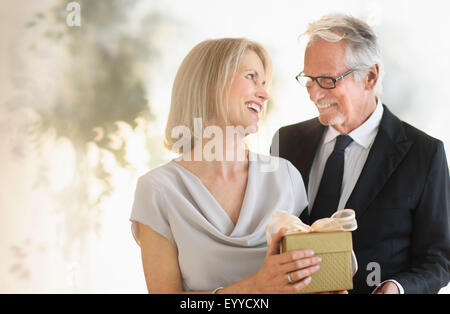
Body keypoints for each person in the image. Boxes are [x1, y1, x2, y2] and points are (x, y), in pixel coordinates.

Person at [271, 14, 450, 294]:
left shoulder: (424, 154)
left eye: (327, 80)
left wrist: (397, 287)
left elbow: (438, 260)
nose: (314, 95)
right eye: (309, 80)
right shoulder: (286, 141)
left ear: (370, 76)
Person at [130, 38, 323, 293]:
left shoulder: (284, 177)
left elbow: (304, 280)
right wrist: (255, 288)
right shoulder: (157, 190)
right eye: (251, 77)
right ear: (210, 84)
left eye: (264, 83)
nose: (264, 94)